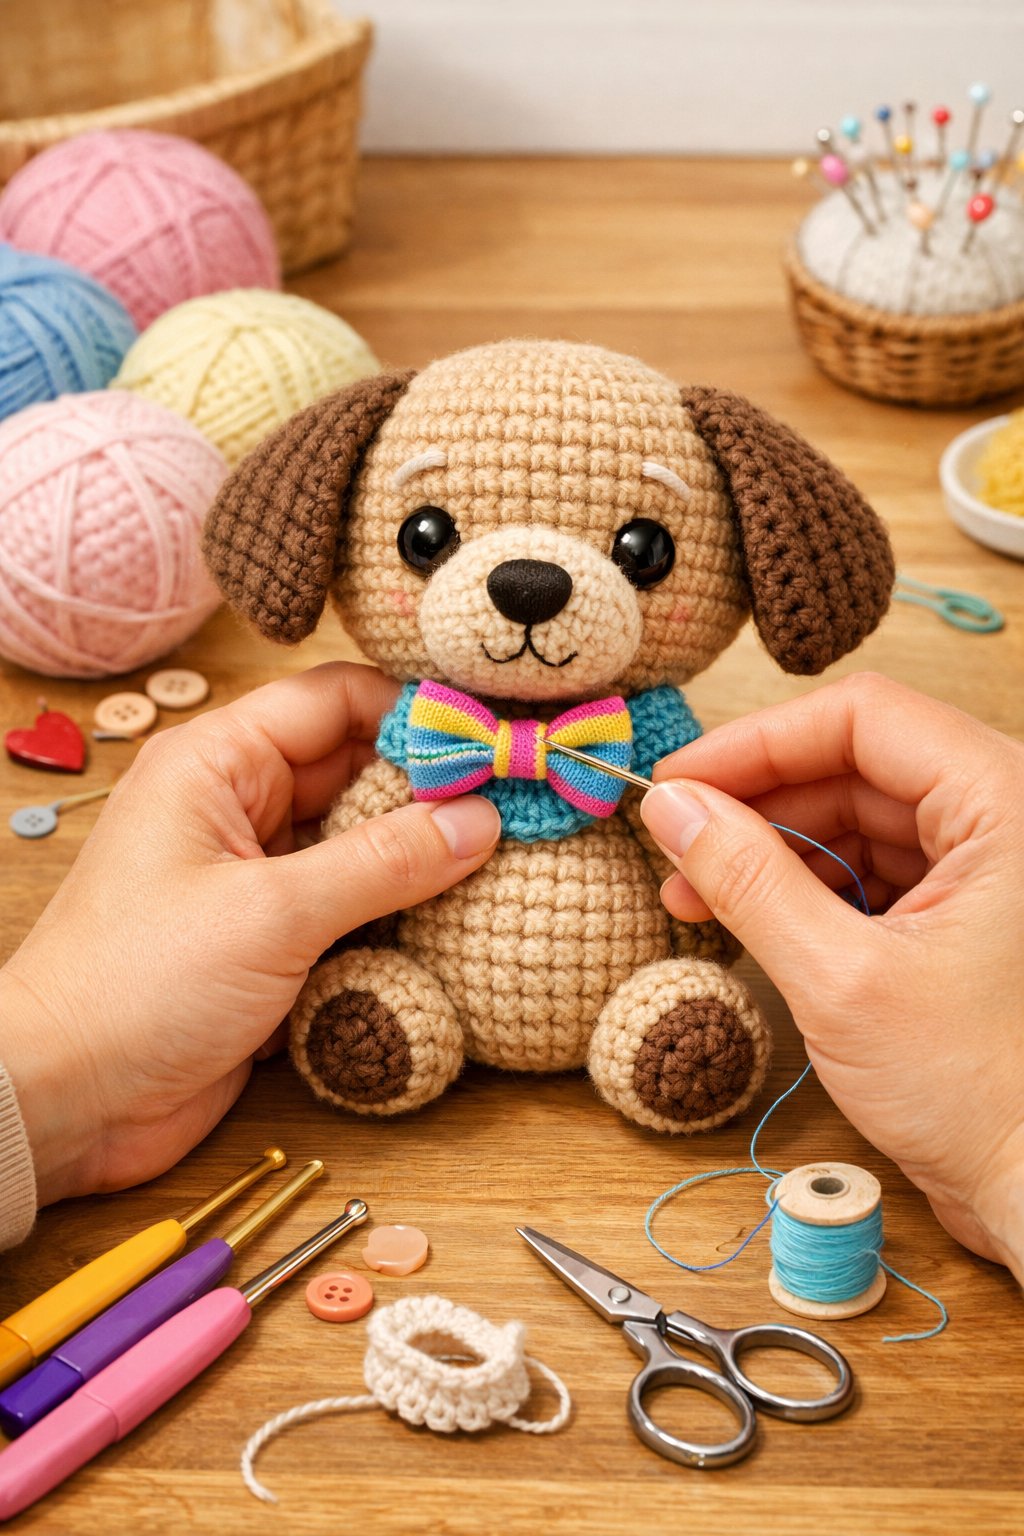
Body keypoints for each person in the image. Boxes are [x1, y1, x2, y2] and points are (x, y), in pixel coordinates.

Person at [0, 665, 1020, 1289]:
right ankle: (387, 1020)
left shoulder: (656, 760)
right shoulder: (415, 755)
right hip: (425, 987)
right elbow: (361, 835)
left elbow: (709, 890)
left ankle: (666, 1021)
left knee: (693, 992)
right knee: (372, 1004)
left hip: (634, 985)